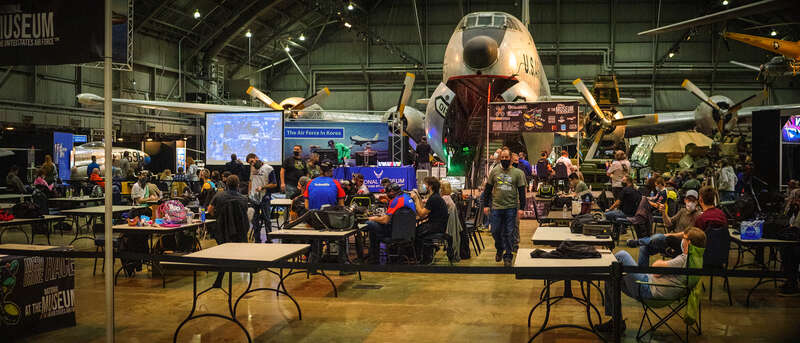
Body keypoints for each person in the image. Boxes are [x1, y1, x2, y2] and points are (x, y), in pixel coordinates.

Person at [596, 228, 707, 332]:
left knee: (622, 255)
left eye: (684, 238)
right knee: (611, 278)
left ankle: (597, 269)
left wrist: (660, 263)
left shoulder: (684, 259)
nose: (681, 240)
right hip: (655, 288)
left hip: (649, 290)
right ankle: (616, 322)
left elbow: (656, 270)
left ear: (689, 242)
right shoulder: (697, 259)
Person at [627, 190, 703, 266]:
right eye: (688, 199)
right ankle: (642, 273)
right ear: (685, 200)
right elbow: (669, 224)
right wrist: (663, 212)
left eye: (693, 200)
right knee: (644, 247)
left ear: (697, 202)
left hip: (682, 244)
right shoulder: (682, 211)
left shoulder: (698, 216)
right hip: (669, 241)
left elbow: (688, 233)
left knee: (659, 237)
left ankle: (638, 242)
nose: (690, 202)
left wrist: (668, 235)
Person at [483, 149, 527, 267]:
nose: (504, 159)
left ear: (511, 159)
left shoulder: (518, 173)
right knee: (495, 231)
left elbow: (522, 192)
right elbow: (487, 189)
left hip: (511, 207)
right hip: (496, 207)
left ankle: (508, 256)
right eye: (502, 157)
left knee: (509, 232)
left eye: (506, 157)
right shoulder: (494, 171)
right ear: (500, 158)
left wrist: (522, 208)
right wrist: (486, 205)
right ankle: (499, 248)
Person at [206, 174, 249, 287]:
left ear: (226, 184)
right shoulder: (244, 199)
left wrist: (219, 216)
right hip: (240, 233)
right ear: (238, 185)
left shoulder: (218, 196)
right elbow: (244, 215)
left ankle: (220, 276)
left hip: (222, 231)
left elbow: (210, 210)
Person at [364, 183, 416, 263]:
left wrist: (373, 218)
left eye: (387, 192)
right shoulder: (407, 197)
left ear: (392, 191)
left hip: (396, 233)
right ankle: (373, 255)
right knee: (374, 228)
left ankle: (374, 257)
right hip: (408, 232)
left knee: (369, 224)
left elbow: (385, 220)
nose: (387, 194)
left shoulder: (396, 201)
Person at [410, 177, 450, 263]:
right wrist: (418, 197)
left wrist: (416, 199)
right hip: (437, 224)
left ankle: (420, 257)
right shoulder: (435, 197)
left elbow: (421, 213)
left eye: (425, 184)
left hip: (436, 226)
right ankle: (428, 252)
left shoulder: (434, 199)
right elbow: (424, 210)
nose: (424, 186)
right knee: (418, 229)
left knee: (415, 232)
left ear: (430, 186)